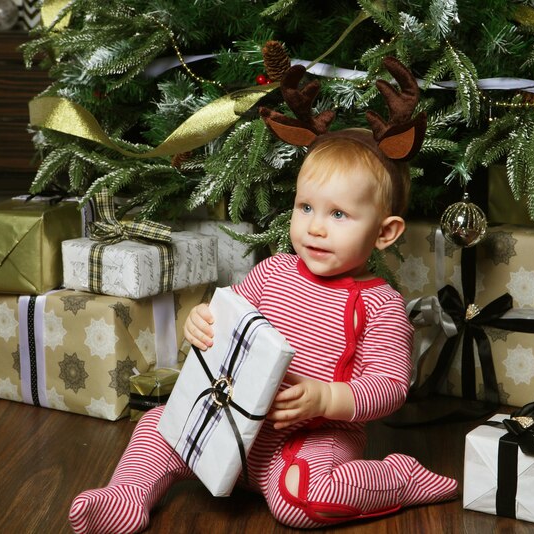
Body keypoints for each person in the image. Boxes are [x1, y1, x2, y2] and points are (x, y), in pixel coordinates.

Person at [69, 59, 458, 534]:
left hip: (307, 441)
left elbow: (390, 386)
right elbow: (227, 318)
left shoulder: (380, 304)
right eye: (306, 206)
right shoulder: (273, 271)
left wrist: (326, 397)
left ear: (385, 232)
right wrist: (201, 321)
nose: (315, 225)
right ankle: (126, 495)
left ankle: (396, 479)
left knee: (304, 497)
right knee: (158, 426)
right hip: (229, 424)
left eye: (339, 214)